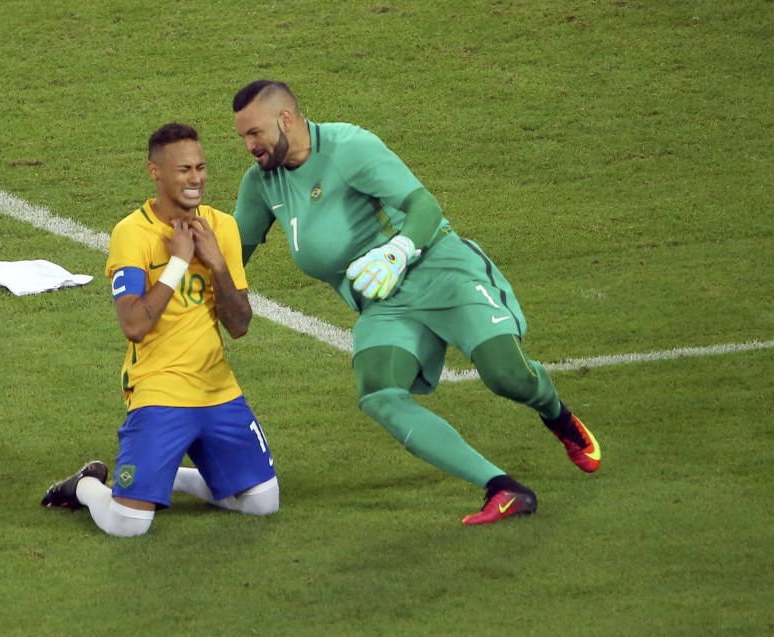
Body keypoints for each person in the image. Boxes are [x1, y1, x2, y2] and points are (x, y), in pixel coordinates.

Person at [230, 80, 600, 526]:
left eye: (254, 133)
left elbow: (422, 204)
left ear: (285, 119)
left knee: (506, 377)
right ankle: (503, 488)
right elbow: (234, 253)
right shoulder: (263, 184)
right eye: (243, 137)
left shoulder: (349, 146)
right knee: (379, 395)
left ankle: (556, 415)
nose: (249, 146)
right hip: (385, 305)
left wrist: (397, 250)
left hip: (439, 269)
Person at [41, 123, 278, 536]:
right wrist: (179, 263)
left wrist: (216, 263)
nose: (196, 179)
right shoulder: (132, 233)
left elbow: (239, 325)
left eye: (201, 167)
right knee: (128, 525)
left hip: (217, 389)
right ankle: (86, 487)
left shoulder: (222, 228)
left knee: (263, 504)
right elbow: (133, 324)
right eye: (184, 169)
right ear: (155, 172)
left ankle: (169, 478)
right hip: (158, 390)